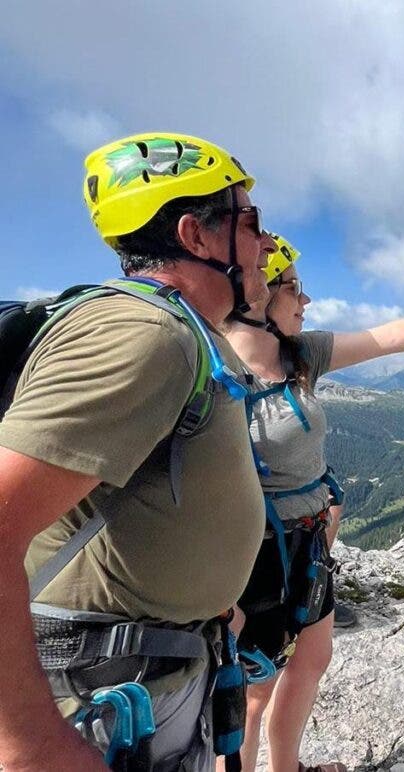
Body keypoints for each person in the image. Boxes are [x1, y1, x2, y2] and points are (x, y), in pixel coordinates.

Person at [0, 132, 275, 771]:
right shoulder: (144, 335)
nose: (265, 243)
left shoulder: (184, 334)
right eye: (250, 220)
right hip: (99, 693)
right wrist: (28, 742)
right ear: (196, 235)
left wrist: (208, 608)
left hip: (150, 669)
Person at [223, 235, 404, 772]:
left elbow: (387, 337)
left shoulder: (300, 355)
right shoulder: (214, 371)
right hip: (251, 555)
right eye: (295, 288)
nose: (305, 301)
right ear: (260, 295)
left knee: (311, 659)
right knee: (252, 691)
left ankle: (285, 767)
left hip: (308, 543)